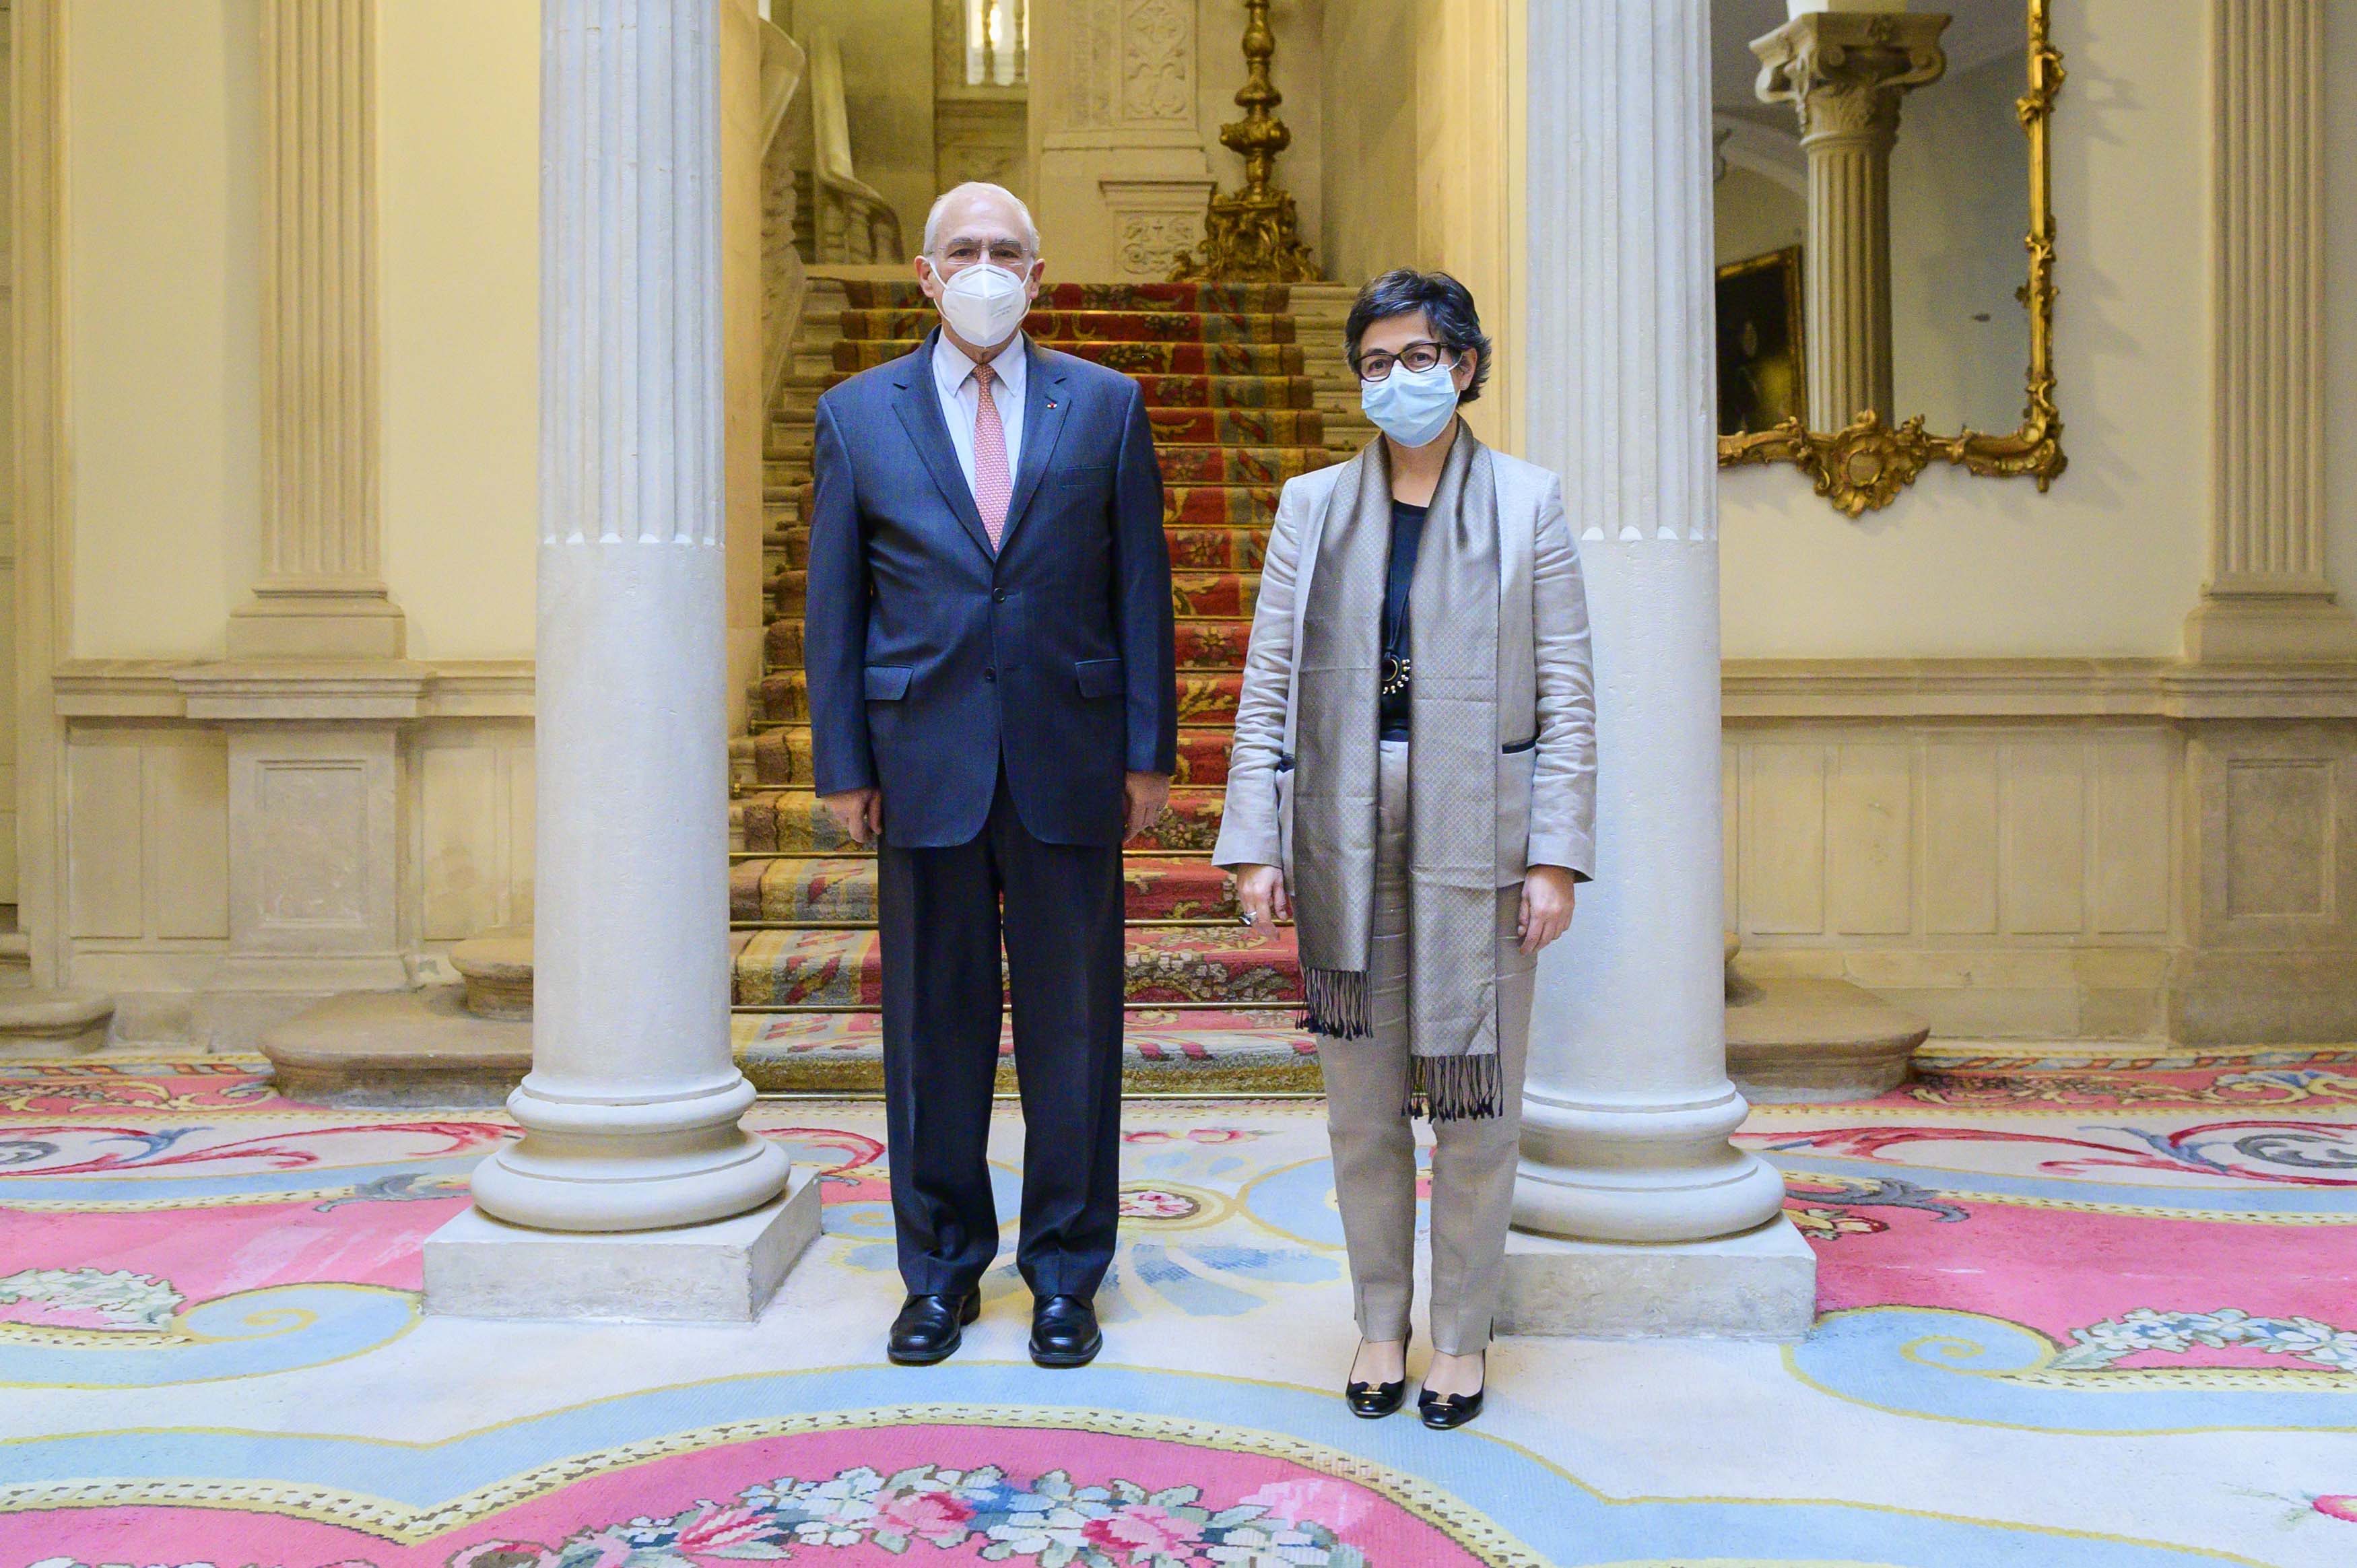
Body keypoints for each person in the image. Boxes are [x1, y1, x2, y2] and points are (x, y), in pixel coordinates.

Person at [803, 182, 1177, 1369]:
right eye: (962, 249)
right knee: (932, 1031)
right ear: (925, 275)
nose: (983, 266)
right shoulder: (857, 415)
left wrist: (1148, 748)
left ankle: (1066, 1273)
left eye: (1005, 250)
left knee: (1075, 1029)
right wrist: (842, 760)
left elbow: (1142, 592)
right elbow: (833, 608)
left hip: (1069, 759)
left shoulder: (1107, 408)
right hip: (922, 764)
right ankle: (941, 1270)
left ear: (1039, 272)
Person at [1214, 270, 1595, 1430]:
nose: (1397, 381)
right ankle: (1382, 1323)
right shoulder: (1310, 506)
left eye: (1419, 359)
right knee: (1361, 1107)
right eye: (1375, 364)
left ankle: (1463, 1339)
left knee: (1476, 1111)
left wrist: (1556, 853)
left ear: (1467, 366)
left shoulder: (1529, 502)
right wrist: (1254, 837)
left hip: (1482, 832)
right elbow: (1269, 683)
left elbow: (1570, 692)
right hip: (1341, 828)